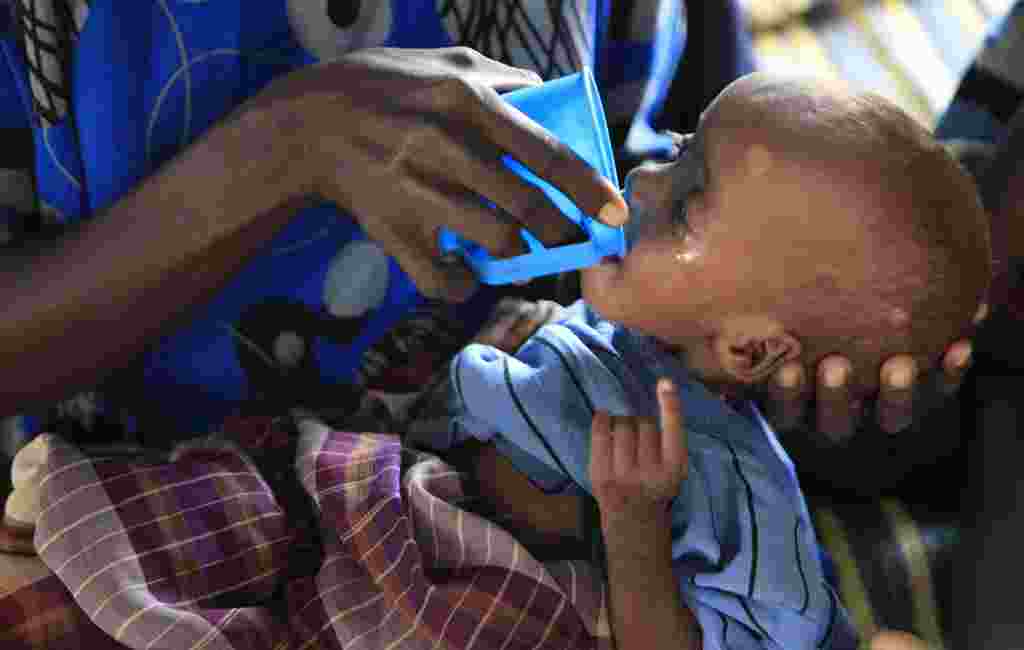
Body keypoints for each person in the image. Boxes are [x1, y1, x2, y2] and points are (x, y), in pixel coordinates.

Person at [422, 73, 990, 650]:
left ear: (751, 349)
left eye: (685, 210)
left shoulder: (742, 506)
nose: (642, 181)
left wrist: (635, 525)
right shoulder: (619, 336)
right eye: (677, 150)